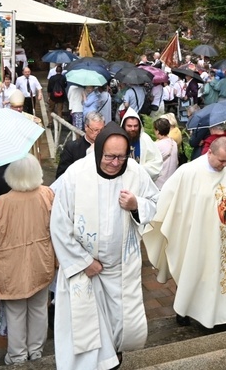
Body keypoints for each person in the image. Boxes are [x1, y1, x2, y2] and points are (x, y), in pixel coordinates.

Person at [50, 122, 159, 369]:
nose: (115, 162)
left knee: (118, 330)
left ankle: (116, 362)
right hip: (85, 271)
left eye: (122, 156)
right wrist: (84, 262)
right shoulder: (76, 175)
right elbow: (59, 224)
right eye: (109, 156)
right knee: (88, 335)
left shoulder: (135, 172)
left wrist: (136, 205)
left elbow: (156, 202)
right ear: (99, 150)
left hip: (120, 269)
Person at [145, 137, 226, 328]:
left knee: (220, 273)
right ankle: (184, 309)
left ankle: (221, 316)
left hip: (223, 238)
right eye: (221, 161)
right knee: (193, 271)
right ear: (209, 152)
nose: (224, 165)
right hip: (196, 236)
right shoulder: (189, 171)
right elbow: (167, 196)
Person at [0, 155, 55, 365]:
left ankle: (18, 355)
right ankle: (36, 351)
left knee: (15, 311)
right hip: (41, 261)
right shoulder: (47, 194)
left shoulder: (0, 203)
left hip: (10, 266)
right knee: (39, 307)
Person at [55, 111, 105, 178]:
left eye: (101, 130)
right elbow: (61, 176)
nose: (99, 133)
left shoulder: (107, 147)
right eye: (95, 130)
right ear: (86, 127)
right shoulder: (72, 148)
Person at [120, 107, 163, 181]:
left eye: (135, 126)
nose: (133, 129)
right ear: (124, 126)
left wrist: (138, 169)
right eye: (129, 126)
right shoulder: (118, 139)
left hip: (140, 180)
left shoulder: (145, 139)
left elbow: (156, 162)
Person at [153, 117, 178, 190]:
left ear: (157, 131)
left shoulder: (156, 145)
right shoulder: (174, 143)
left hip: (159, 184)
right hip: (171, 182)